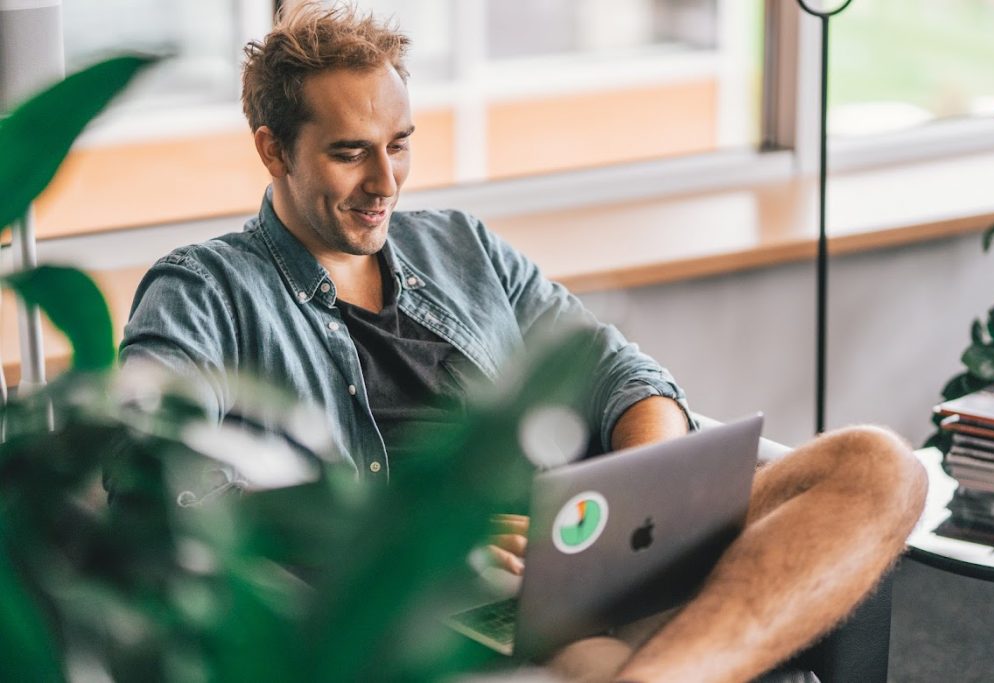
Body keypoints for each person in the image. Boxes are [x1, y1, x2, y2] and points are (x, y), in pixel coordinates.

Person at [118, 5, 927, 682]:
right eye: (348, 152)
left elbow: (619, 373)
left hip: (579, 555)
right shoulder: (203, 290)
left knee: (877, 465)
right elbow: (157, 492)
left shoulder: (461, 247)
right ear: (272, 149)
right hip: (439, 613)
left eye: (398, 143)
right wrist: (424, 535)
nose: (386, 182)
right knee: (586, 661)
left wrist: (640, 501)